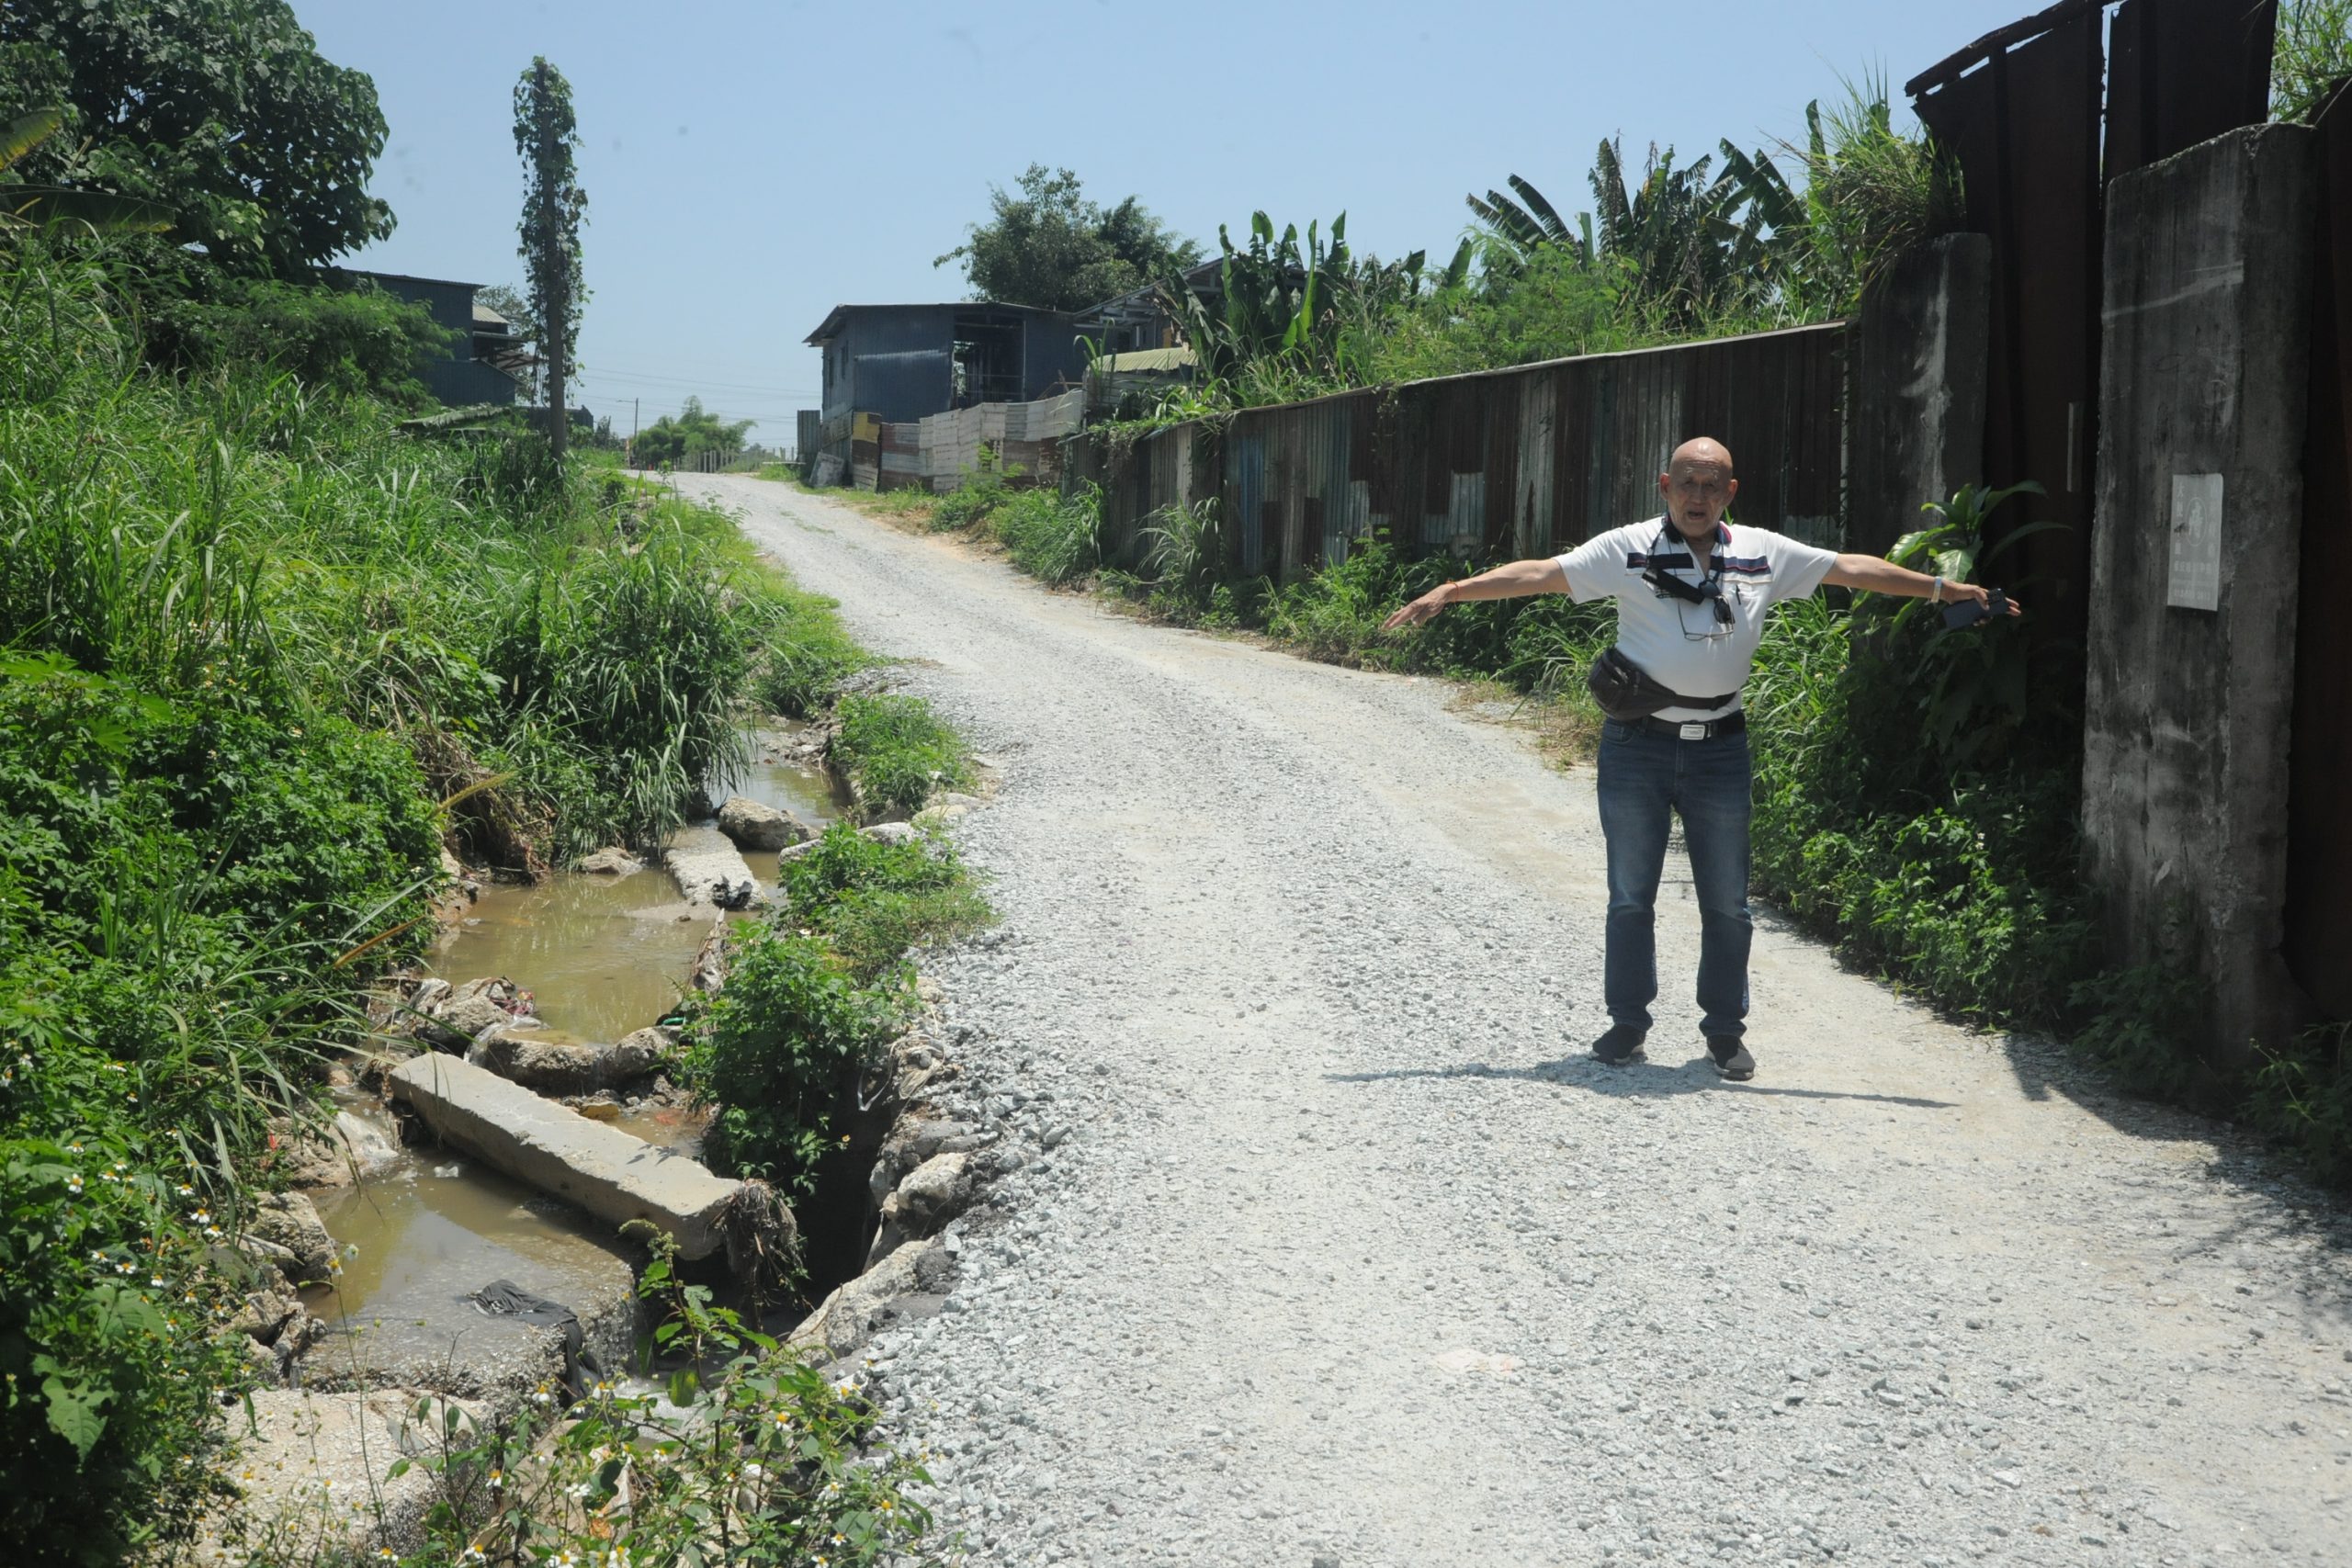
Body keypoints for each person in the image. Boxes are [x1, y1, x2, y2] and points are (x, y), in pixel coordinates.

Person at [1381, 437, 2018, 1081]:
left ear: (1731, 493)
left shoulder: (1761, 554)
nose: (1698, 496)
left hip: (1721, 749)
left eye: (1712, 486)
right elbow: (1542, 573)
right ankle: (1628, 1023)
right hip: (1637, 747)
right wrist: (1453, 590)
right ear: (1664, 486)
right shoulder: (1628, 548)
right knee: (1630, 894)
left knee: (1727, 901)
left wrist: (1943, 588)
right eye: (1687, 483)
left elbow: (1851, 569)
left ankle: (1723, 1032)